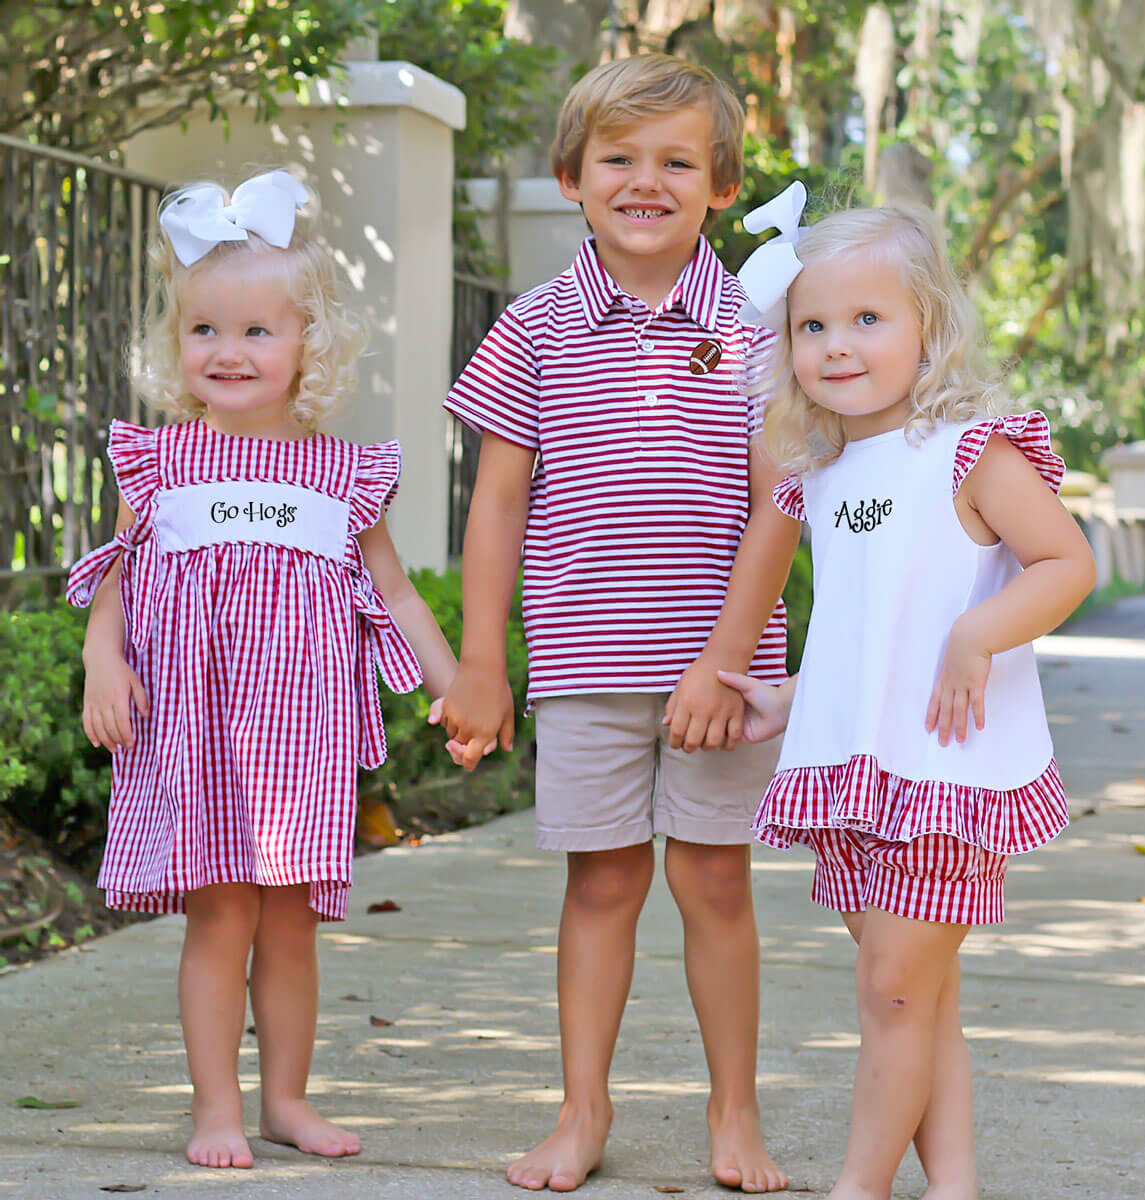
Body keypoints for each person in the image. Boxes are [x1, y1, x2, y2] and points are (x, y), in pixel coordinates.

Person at [438, 55, 799, 1194]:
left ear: (721, 185)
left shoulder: (758, 327)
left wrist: (725, 659)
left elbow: (776, 502)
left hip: (721, 671)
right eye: (619, 160)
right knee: (599, 885)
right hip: (587, 663)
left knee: (715, 883)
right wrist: (480, 663)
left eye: (677, 162)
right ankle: (581, 1111)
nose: (647, 182)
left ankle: (733, 1115)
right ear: (571, 178)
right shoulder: (533, 329)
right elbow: (496, 503)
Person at [67, 169, 457, 1171]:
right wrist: (101, 662)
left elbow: (398, 592)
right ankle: (215, 1107)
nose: (228, 353)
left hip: (299, 733)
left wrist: (454, 680)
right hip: (191, 723)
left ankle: (285, 1098)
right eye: (205, 332)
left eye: (255, 333)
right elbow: (114, 578)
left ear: (307, 347)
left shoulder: (339, 473)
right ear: (177, 344)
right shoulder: (160, 463)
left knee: (288, 921)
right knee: (221, 912)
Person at [718, 190, 1097, 1200]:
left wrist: (982, 631)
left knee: (891, 990)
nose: (837, 346)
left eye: (867, 319)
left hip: (945, 768)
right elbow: (872, 626)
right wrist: (794, 698)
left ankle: (860, 1185)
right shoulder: (827, 473)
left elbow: (1066, 562)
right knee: (918, 995)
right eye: (812, 326)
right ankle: (956, 1183)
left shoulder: (972, 449)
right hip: (855, 767)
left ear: (930, 326)